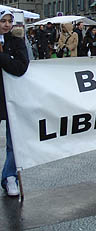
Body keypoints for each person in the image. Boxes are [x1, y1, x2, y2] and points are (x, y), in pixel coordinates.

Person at [0, 10, 30, 196]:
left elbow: (20, 67)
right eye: (3, 21)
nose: (6, 24)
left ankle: (9, 177)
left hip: (10, 97)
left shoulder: (16, 41)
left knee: (14, 141)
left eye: (9, 21)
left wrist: (2, 57)